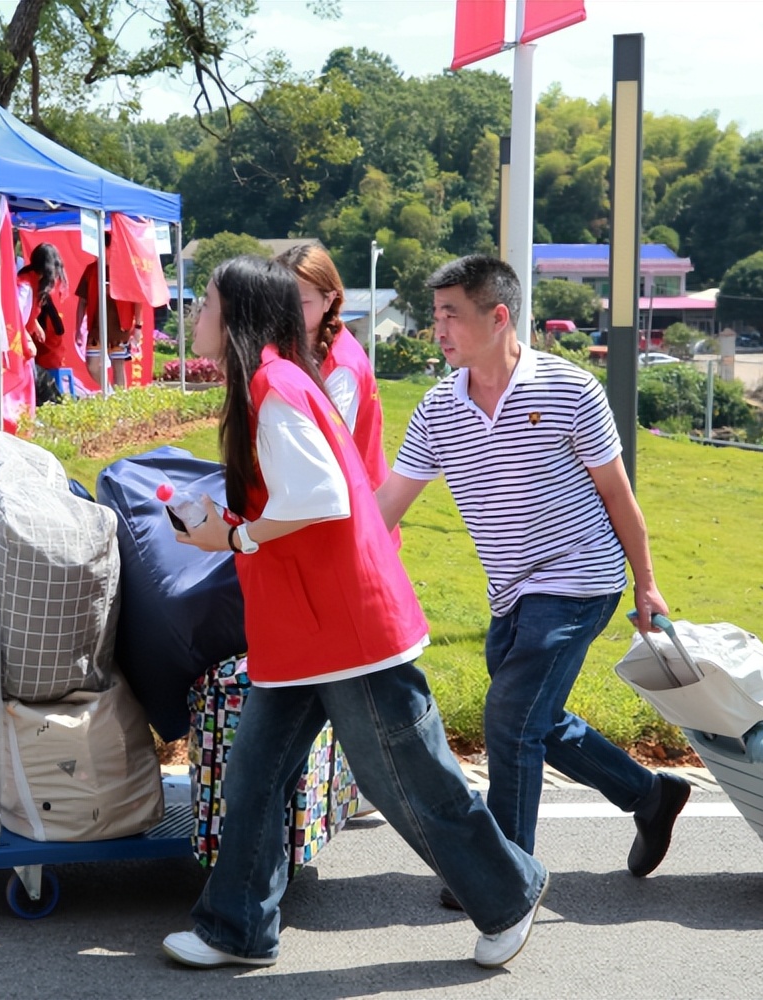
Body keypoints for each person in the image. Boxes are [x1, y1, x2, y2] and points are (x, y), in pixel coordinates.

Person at [160, 255, 549, 971]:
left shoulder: (273, 385)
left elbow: (321, 499)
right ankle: (236, 928)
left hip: (346, 630)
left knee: (409, 779)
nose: (195, 316)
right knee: (254, 777)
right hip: (308, 630)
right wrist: (232, 524)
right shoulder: (274, 380)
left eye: (206, 303)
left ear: (237, 315)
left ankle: (509, 892)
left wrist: (234, 535)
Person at [375, 256, 691, 910]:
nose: (438, 329)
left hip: (580, 577)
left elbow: (618, 494)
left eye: (451, 314)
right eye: (435, 315)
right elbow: (387, 508)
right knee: (536, 722)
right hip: (511, 591)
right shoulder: (438, 409)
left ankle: (503, 875)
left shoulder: (571, 390)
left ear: (498, 316)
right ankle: (650, 795)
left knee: (511, 721)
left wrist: (646, 584)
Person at [276, 244, 388, 491]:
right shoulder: (291, 342)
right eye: (280, 300)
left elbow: (327, 451)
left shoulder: (343, 367)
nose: (288, 311)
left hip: (351, 499)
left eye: (301, 302)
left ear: (329, 299)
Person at [75, 234, 142, 389]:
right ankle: (109, 391)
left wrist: (138, 327)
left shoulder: (125, 269)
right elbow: (82, 302)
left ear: (110, 248)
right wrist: (78, 328)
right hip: (96, 327)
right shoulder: (91, 270)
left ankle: (120, 399)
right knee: (92, 365)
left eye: (101, 249)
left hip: (119, 326)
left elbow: (137, 300)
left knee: (118, 365)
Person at [18, 243, 70, 404]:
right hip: (15, 347)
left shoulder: (33, 282)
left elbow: (26, 313)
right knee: (43, 384)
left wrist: (35, 324)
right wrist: (27, 338)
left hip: (22, 346)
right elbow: (14, 317)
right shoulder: (25, 285)